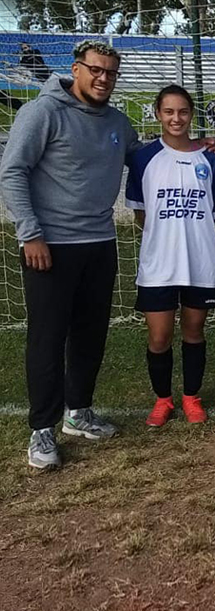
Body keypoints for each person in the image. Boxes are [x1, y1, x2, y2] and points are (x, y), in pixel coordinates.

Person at [1, 40, 139, 468]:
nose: (103, 79)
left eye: (110, 73)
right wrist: (31, 234)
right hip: (50, 246)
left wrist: (195, 146)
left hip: (99, 244)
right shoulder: (42, 113)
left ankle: (78, 412)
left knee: (90, 333)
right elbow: (12, 170)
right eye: (95, 70)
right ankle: (42, 429)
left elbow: (147, 157)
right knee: (47, 337)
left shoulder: (118, 121)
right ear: (76, 69)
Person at [125, 84, 215, 427]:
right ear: (158, 114)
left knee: (194, 331)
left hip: (199, 260)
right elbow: (140, 214)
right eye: (169, 112)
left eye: (182, 111)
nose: (176, 118)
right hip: (159, 264)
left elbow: (214, 211)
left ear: (191, 114)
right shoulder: (143, 158)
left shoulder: (211, 159)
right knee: (159, 336)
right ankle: (163, 399)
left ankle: (191, 397)